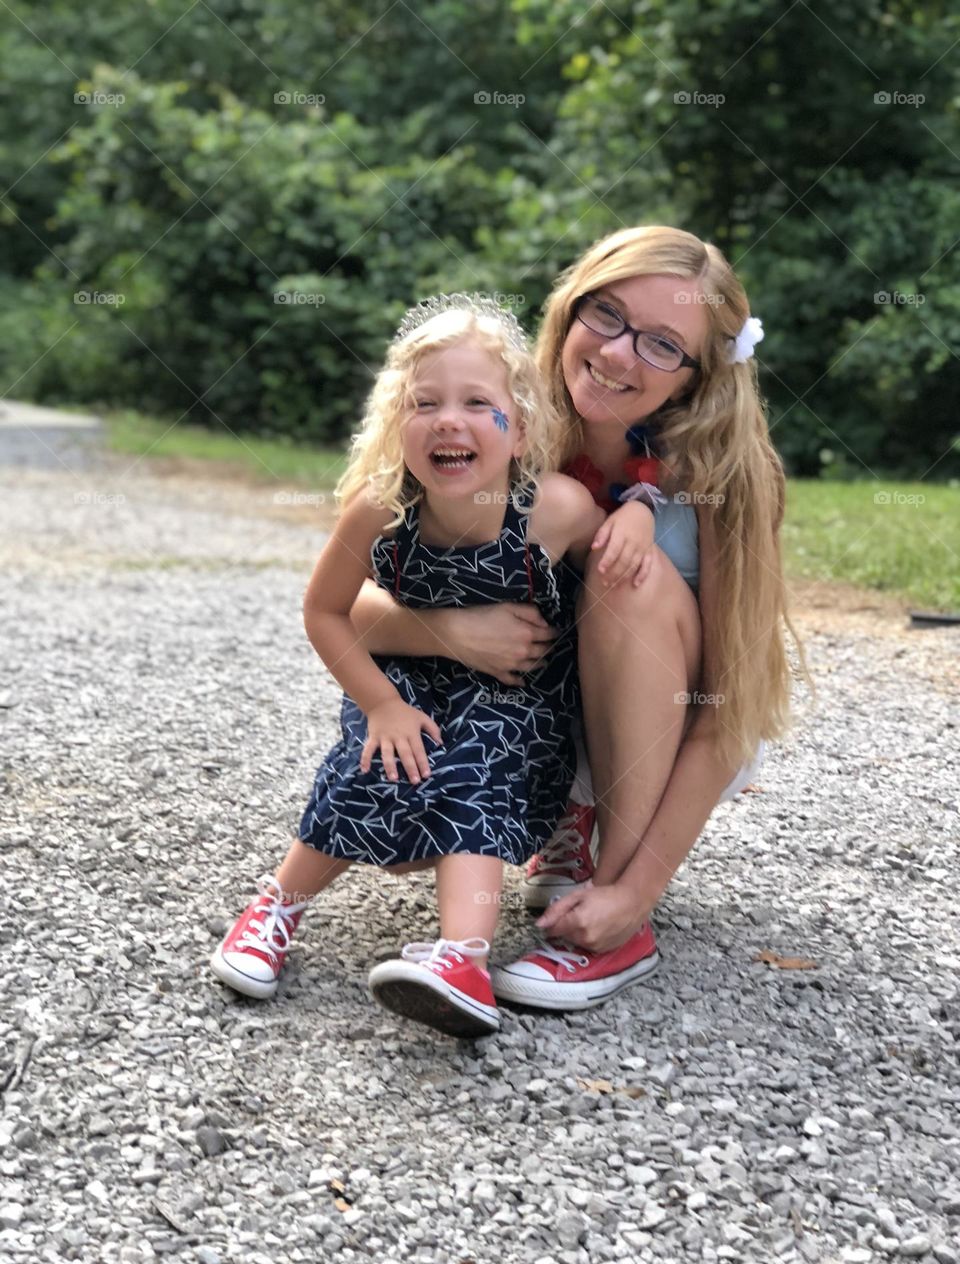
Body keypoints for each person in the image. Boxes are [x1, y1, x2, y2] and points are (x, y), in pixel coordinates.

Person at [349, 227, 805, 1011]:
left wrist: (638, 892)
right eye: (609, 316)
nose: (621, 355)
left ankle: (618, 913)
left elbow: (728, 708)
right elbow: (356, 608)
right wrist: (449, 634)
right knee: (394, 844)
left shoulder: (728, 472)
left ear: (699, 377)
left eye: (664, 344)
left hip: (682, 714)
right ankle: (566, 813)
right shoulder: (503, 416)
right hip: (548, 703)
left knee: (625, 574)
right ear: (572, 307)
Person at [210, 294, 655, 1037]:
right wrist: (380, 705)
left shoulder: (556, 509)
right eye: (425, 403)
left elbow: (613, 588)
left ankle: (461, 956)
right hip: (403, 682)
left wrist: (639, 509)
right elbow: (323, 612)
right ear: (397, 424)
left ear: (520, 428)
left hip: (519, 696)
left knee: (479, 767)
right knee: (371, 760)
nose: (450, 419)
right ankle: (274, 907)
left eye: (478, 403)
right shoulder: (378, 512)